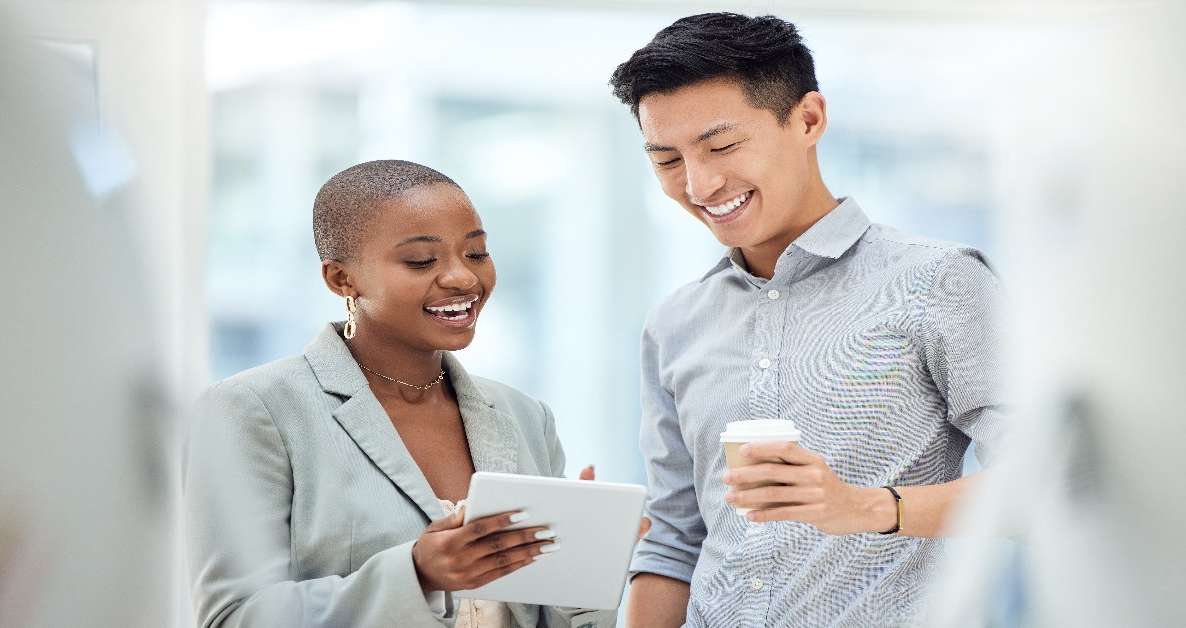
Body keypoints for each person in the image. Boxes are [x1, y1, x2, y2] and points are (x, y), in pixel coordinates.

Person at [608, 13, 1006, 627]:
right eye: (666, 160)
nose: (699, 183)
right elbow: (673, 542)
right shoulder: (675, 323)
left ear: (809, 119)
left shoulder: (940, 281)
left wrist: (867, 507)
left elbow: (1046, 487)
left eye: (721, 146)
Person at [183, 159, 614, 628]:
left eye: (475, 253)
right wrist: (417, 575)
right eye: (421, 261)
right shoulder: (250, 410)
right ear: (341, 279)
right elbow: (233, 618)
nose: (463, 279)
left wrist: (586, 565)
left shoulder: (526, 417)